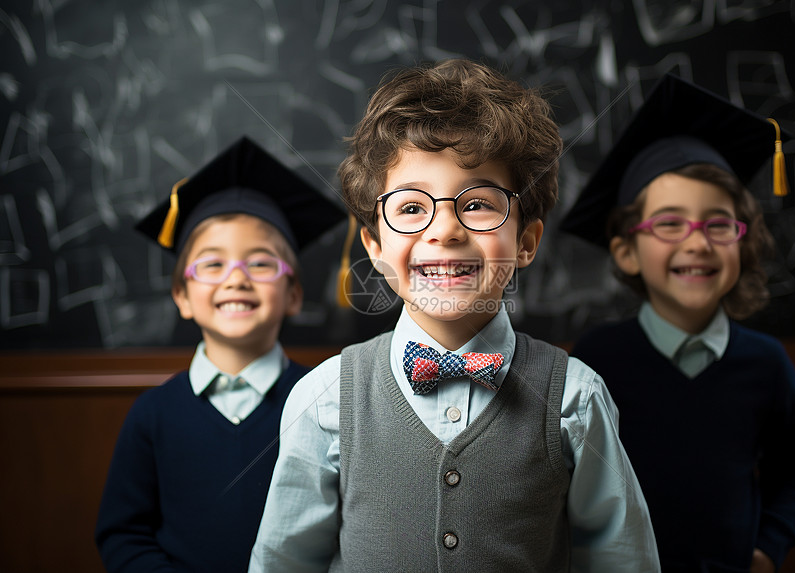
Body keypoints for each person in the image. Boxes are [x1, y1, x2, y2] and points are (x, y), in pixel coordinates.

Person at [249, 59, 660, 572]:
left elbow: (622, 561)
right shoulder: (324, 399)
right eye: (411, 208)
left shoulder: (576, 399)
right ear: (374, 245)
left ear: (527, 241)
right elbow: (284, 563)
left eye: (479, 204)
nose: (444, 230)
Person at [561, 73, 795, 573]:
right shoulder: (598, 361)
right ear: (626, 250)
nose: (698, 242)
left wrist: (769, 547)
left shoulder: (765, 364)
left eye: (718, 224)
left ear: (742, 243)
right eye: (669, 223)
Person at [95, 136, 346, 573]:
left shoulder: (324, 402)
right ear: (182, 296)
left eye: (261, 263)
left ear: (293, 295)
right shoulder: (153, 414)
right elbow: (124, 534)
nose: (236, 279)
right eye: (212, 264)